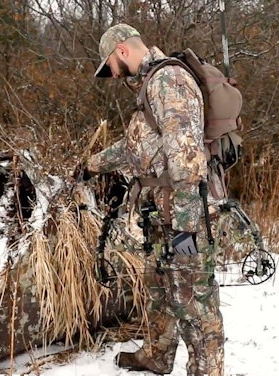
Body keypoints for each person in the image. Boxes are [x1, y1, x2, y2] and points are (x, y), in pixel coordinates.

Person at [82, 24, 224, 376]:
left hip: (183, 216)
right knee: (159, 284)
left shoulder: (168, 81)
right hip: (159, 215)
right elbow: (136, 148)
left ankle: (207, 370)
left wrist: (187, 232)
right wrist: (91, 165)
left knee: (193, 297)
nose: (112, 74)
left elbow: (188, 161)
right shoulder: (150, 86)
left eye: (110, 65)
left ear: (122, 51)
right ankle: (158, 355)